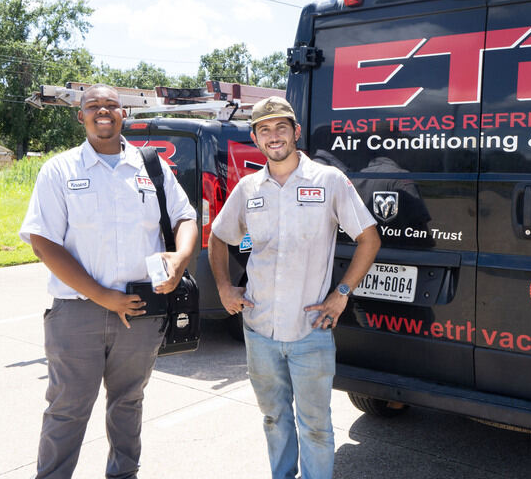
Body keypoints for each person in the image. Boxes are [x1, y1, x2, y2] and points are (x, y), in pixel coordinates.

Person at [19, 84, 197, 479]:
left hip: (141, 312)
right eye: (93, 106)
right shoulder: (60, 169)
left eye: (111, 105)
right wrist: (103, 297)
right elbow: (43, 243)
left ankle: (123, 474)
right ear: (80, 115)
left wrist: (181, 258)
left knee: (128, 403)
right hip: (77, 313)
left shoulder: (151, 166)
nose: (103, 111)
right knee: (67, 408)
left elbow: (186, 218)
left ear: (123, 115)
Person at [208, 96, 381, 479]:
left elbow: (369, 238)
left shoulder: (328, 180)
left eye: (281, 127)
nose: (274, 136)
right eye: (264, 129)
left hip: (311, 332)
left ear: (296, 132)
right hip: (260, 330)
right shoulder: (249, 188)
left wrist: (342, 294)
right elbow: (218, 238)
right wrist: (223, 287)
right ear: (255, 137)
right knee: (273, 418)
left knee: (317, 426)